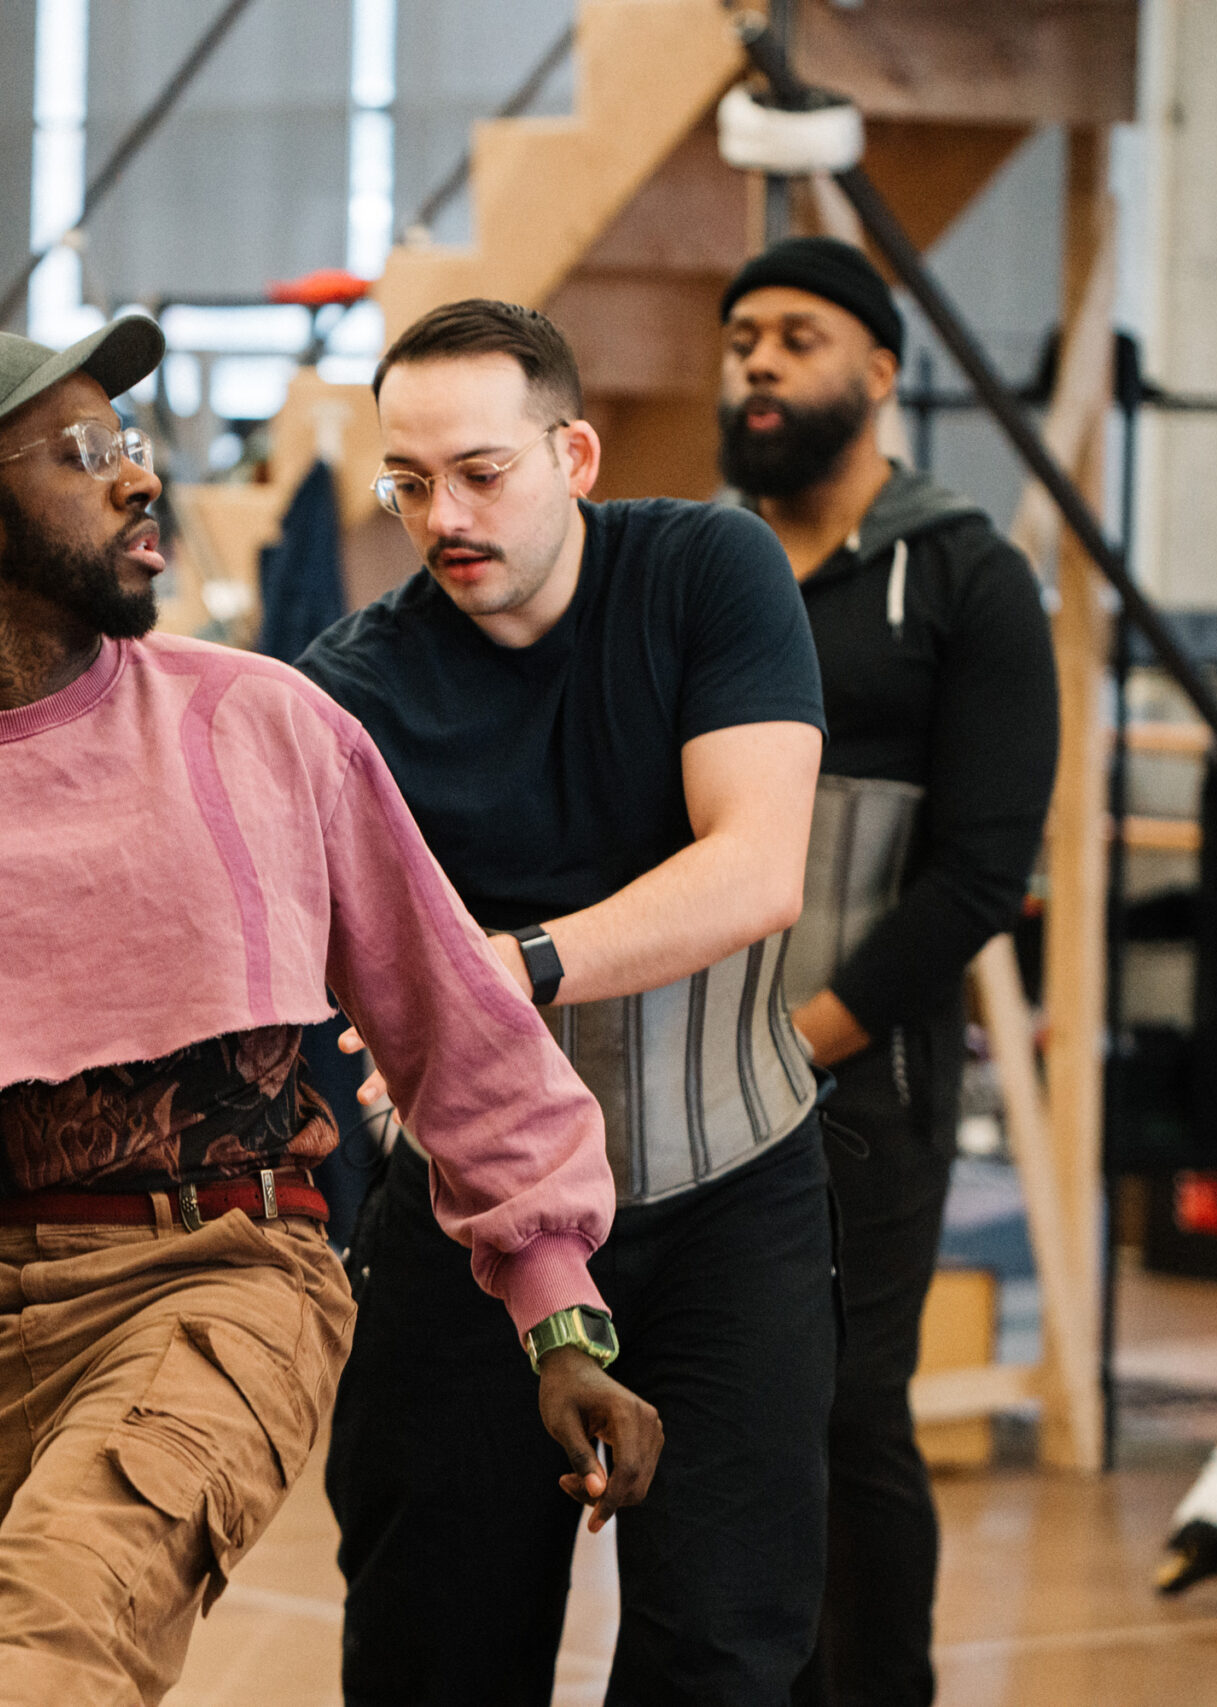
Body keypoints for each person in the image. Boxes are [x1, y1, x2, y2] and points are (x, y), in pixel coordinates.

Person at [0, 314, 661, 1707]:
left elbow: (456, 1027)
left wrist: (559, 1316)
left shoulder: (265, 725)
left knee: (38, 1663)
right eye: (88, 452)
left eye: (136, 443)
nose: (141, 478)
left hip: (227, 1279)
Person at [299, 298, 832, 1706]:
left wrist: (508, 965)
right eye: (409, 482)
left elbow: (759, 868)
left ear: (576, 453)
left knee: (720, 1653)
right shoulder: (354, 687)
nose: (443, 514)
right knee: (434, 1646)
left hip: (732, 1193)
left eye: (482, 472)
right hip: (470, 1220)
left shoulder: (709, 569)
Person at [717, 236, 1059, 1707]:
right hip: (691, 1077)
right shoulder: (702, 566)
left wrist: (801, 1041)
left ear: (880, 368)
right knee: (729, 1428)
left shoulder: (969, 577)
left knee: (850, 1420)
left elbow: (982, 872)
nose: (758, 364)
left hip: (862, 1080)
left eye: (796, 336)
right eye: (739, 340)